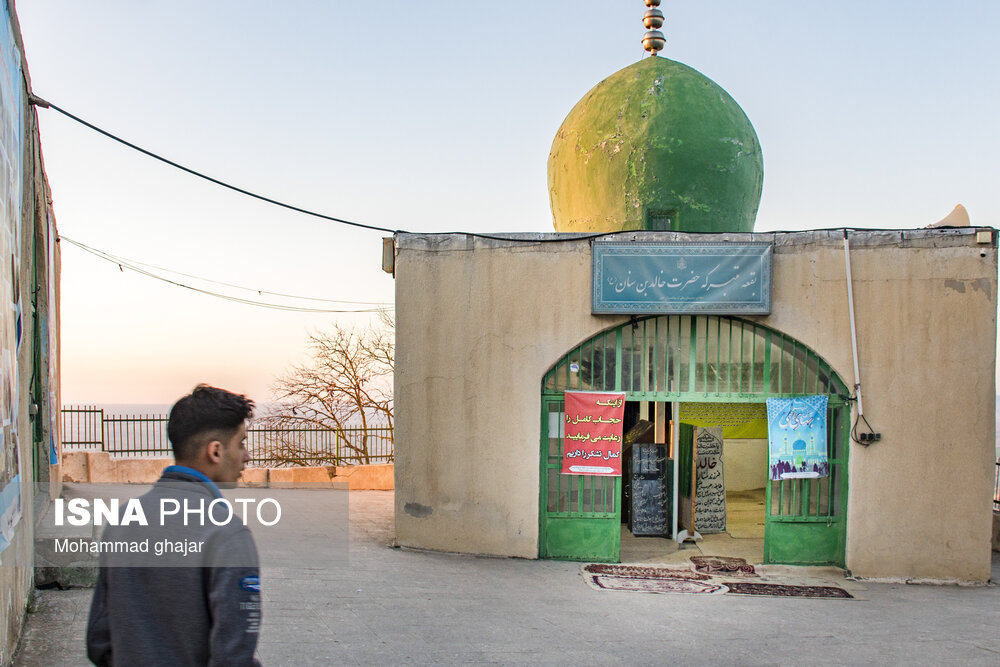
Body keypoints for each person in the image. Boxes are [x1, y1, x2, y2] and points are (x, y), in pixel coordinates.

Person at [87, 385, 262, 666]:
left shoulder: (121, 521)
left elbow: (99, 641)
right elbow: (233, 656)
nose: (247, 456)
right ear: (215, 451)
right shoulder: (228, 534)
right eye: (241, 443)